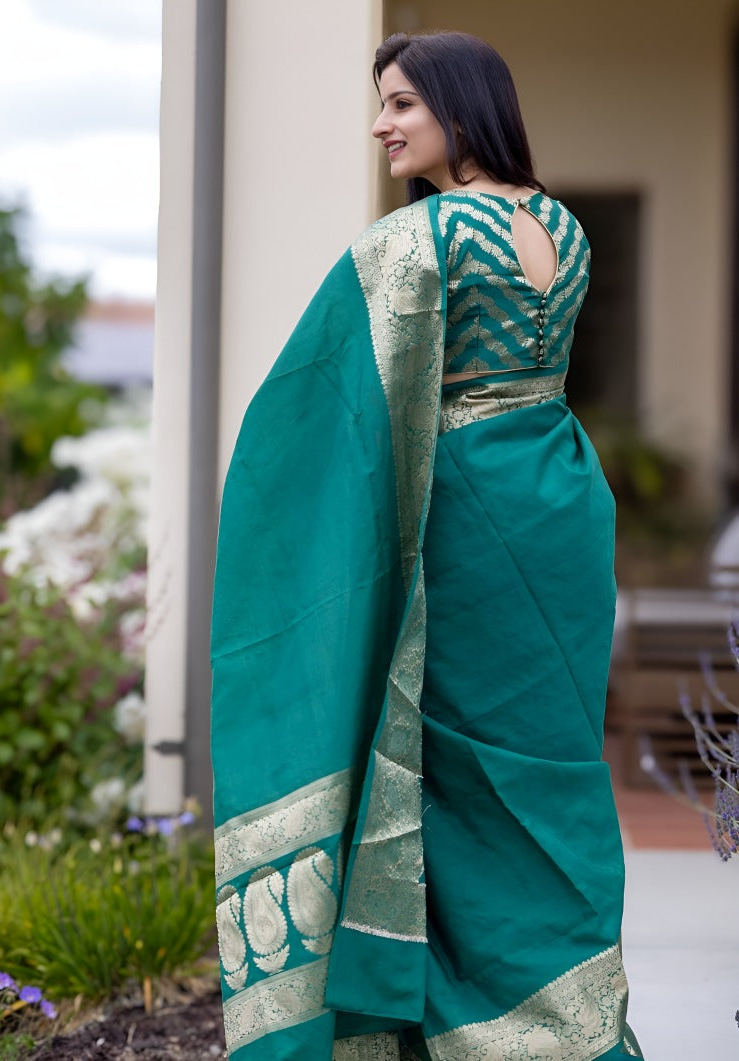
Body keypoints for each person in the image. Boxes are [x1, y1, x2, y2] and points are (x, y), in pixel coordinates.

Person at [210, 30, 643, 1060]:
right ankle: (572, 1024)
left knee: (444, 769)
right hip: (561, 507)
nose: (381, 124)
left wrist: (271, 506)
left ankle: (459, 1028)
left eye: (402, 102)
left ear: (460, 104)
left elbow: (315, 402)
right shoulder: (566, 227)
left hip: (470, 522)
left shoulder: (421, 238)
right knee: (546, 765)